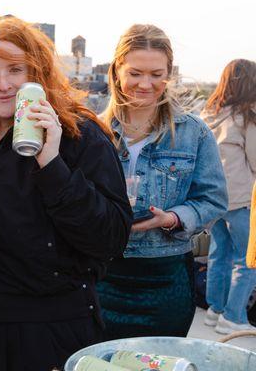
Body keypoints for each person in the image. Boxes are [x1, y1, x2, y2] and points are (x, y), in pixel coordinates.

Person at [0, 16, 133, 371]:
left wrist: (51, 165)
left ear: (37, 74)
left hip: (51, 333)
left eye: (15, 70)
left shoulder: (80, 136)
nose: (3, 85)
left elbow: (110, 239)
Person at [97, 24, 227, 340]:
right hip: (101, 276)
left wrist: (172, 219)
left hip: (166, 278)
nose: (146, 84)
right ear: (117, 72)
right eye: (136, 73)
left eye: (157, 74)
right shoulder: (92, 131)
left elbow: (214, 199)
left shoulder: (194, 132)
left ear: (169, 73)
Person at [201, 59, 256, 333]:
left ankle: (216, 310)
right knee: (248, 260)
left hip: (215, 198)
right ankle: (234, 318)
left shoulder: (210, 114)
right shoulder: (247, 117)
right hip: (242, 199)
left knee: (219, 254)